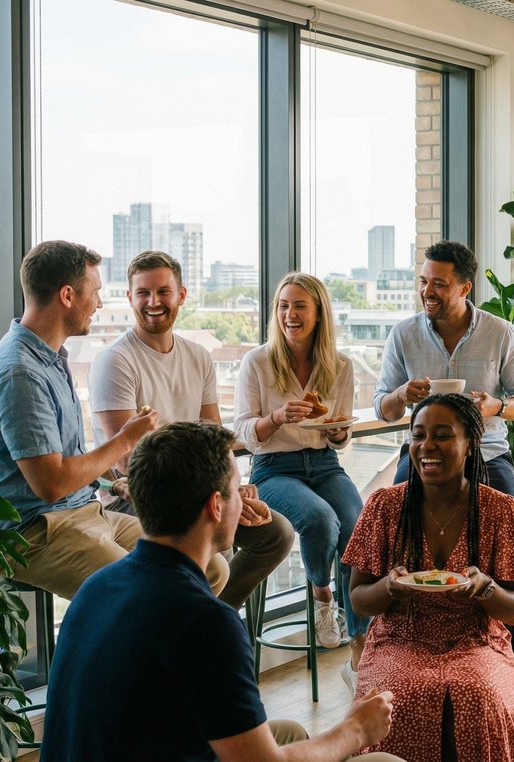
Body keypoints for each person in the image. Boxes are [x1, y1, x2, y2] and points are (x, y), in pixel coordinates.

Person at [40, 421, 402, 762]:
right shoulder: (207, 622)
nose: (243, 501)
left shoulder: (97, 585)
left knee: (289, 732)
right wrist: (355, 730)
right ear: (216, 506)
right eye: (236, 489)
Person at [0, 240, 226, 599]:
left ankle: (143, 636)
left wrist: (113, 483)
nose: (100, 303)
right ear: (68, 296)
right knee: (148, 591)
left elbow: (70, 463)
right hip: (34, 534)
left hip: (83, 513)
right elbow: (51, 484)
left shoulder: (50, 358)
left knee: (210, 566)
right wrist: (126, 438)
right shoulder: (20, 373)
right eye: (95, 292)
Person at [373, 240, 514, 703]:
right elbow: (383, 405)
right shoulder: (403, 335)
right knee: (391, 521)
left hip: (487, 452)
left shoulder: (500, 333)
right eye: (423, 282)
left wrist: (496, 406)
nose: (427, 291)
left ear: (465, 288)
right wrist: (401, 396)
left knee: (511, 518)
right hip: (425, 456)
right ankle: (389, 642)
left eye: (439, 284)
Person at [89, 250, 294, 610]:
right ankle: (203, 623)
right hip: (136, 498)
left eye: (163, 292)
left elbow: (215, 439)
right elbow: (128, 462)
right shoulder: (115, 361)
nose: (153, 302)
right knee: (215, 543)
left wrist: (232, 488)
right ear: (130, 297)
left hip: (200, 490)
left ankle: (211, 617)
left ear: (181, 295)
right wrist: (215, 497)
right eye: (143, 293)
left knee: (276, 533)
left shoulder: (198, 356)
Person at [344, 394, 514, 762]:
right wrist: (389, 587)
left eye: (443, 435)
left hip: (477, 640)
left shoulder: (502, 510)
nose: (427, 446)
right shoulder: (384, 506)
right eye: (418, 435)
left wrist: (486, 589)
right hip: (399, 639)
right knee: (405, 694)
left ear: (471, 445)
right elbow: (358, 599)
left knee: (477, 694)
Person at [234, 272, 363, 656]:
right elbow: (244, 432)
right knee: (319, 519)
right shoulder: (257, 361)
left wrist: (337, 431)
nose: (290, 314)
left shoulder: (340, 365)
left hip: (324, 463)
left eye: (300, 306)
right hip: (273, 467)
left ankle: (362, 642)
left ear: (319, 313)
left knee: (357, 525)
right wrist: (277, 418)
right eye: (283, 306)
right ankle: (323, 596)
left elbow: (340, 434)